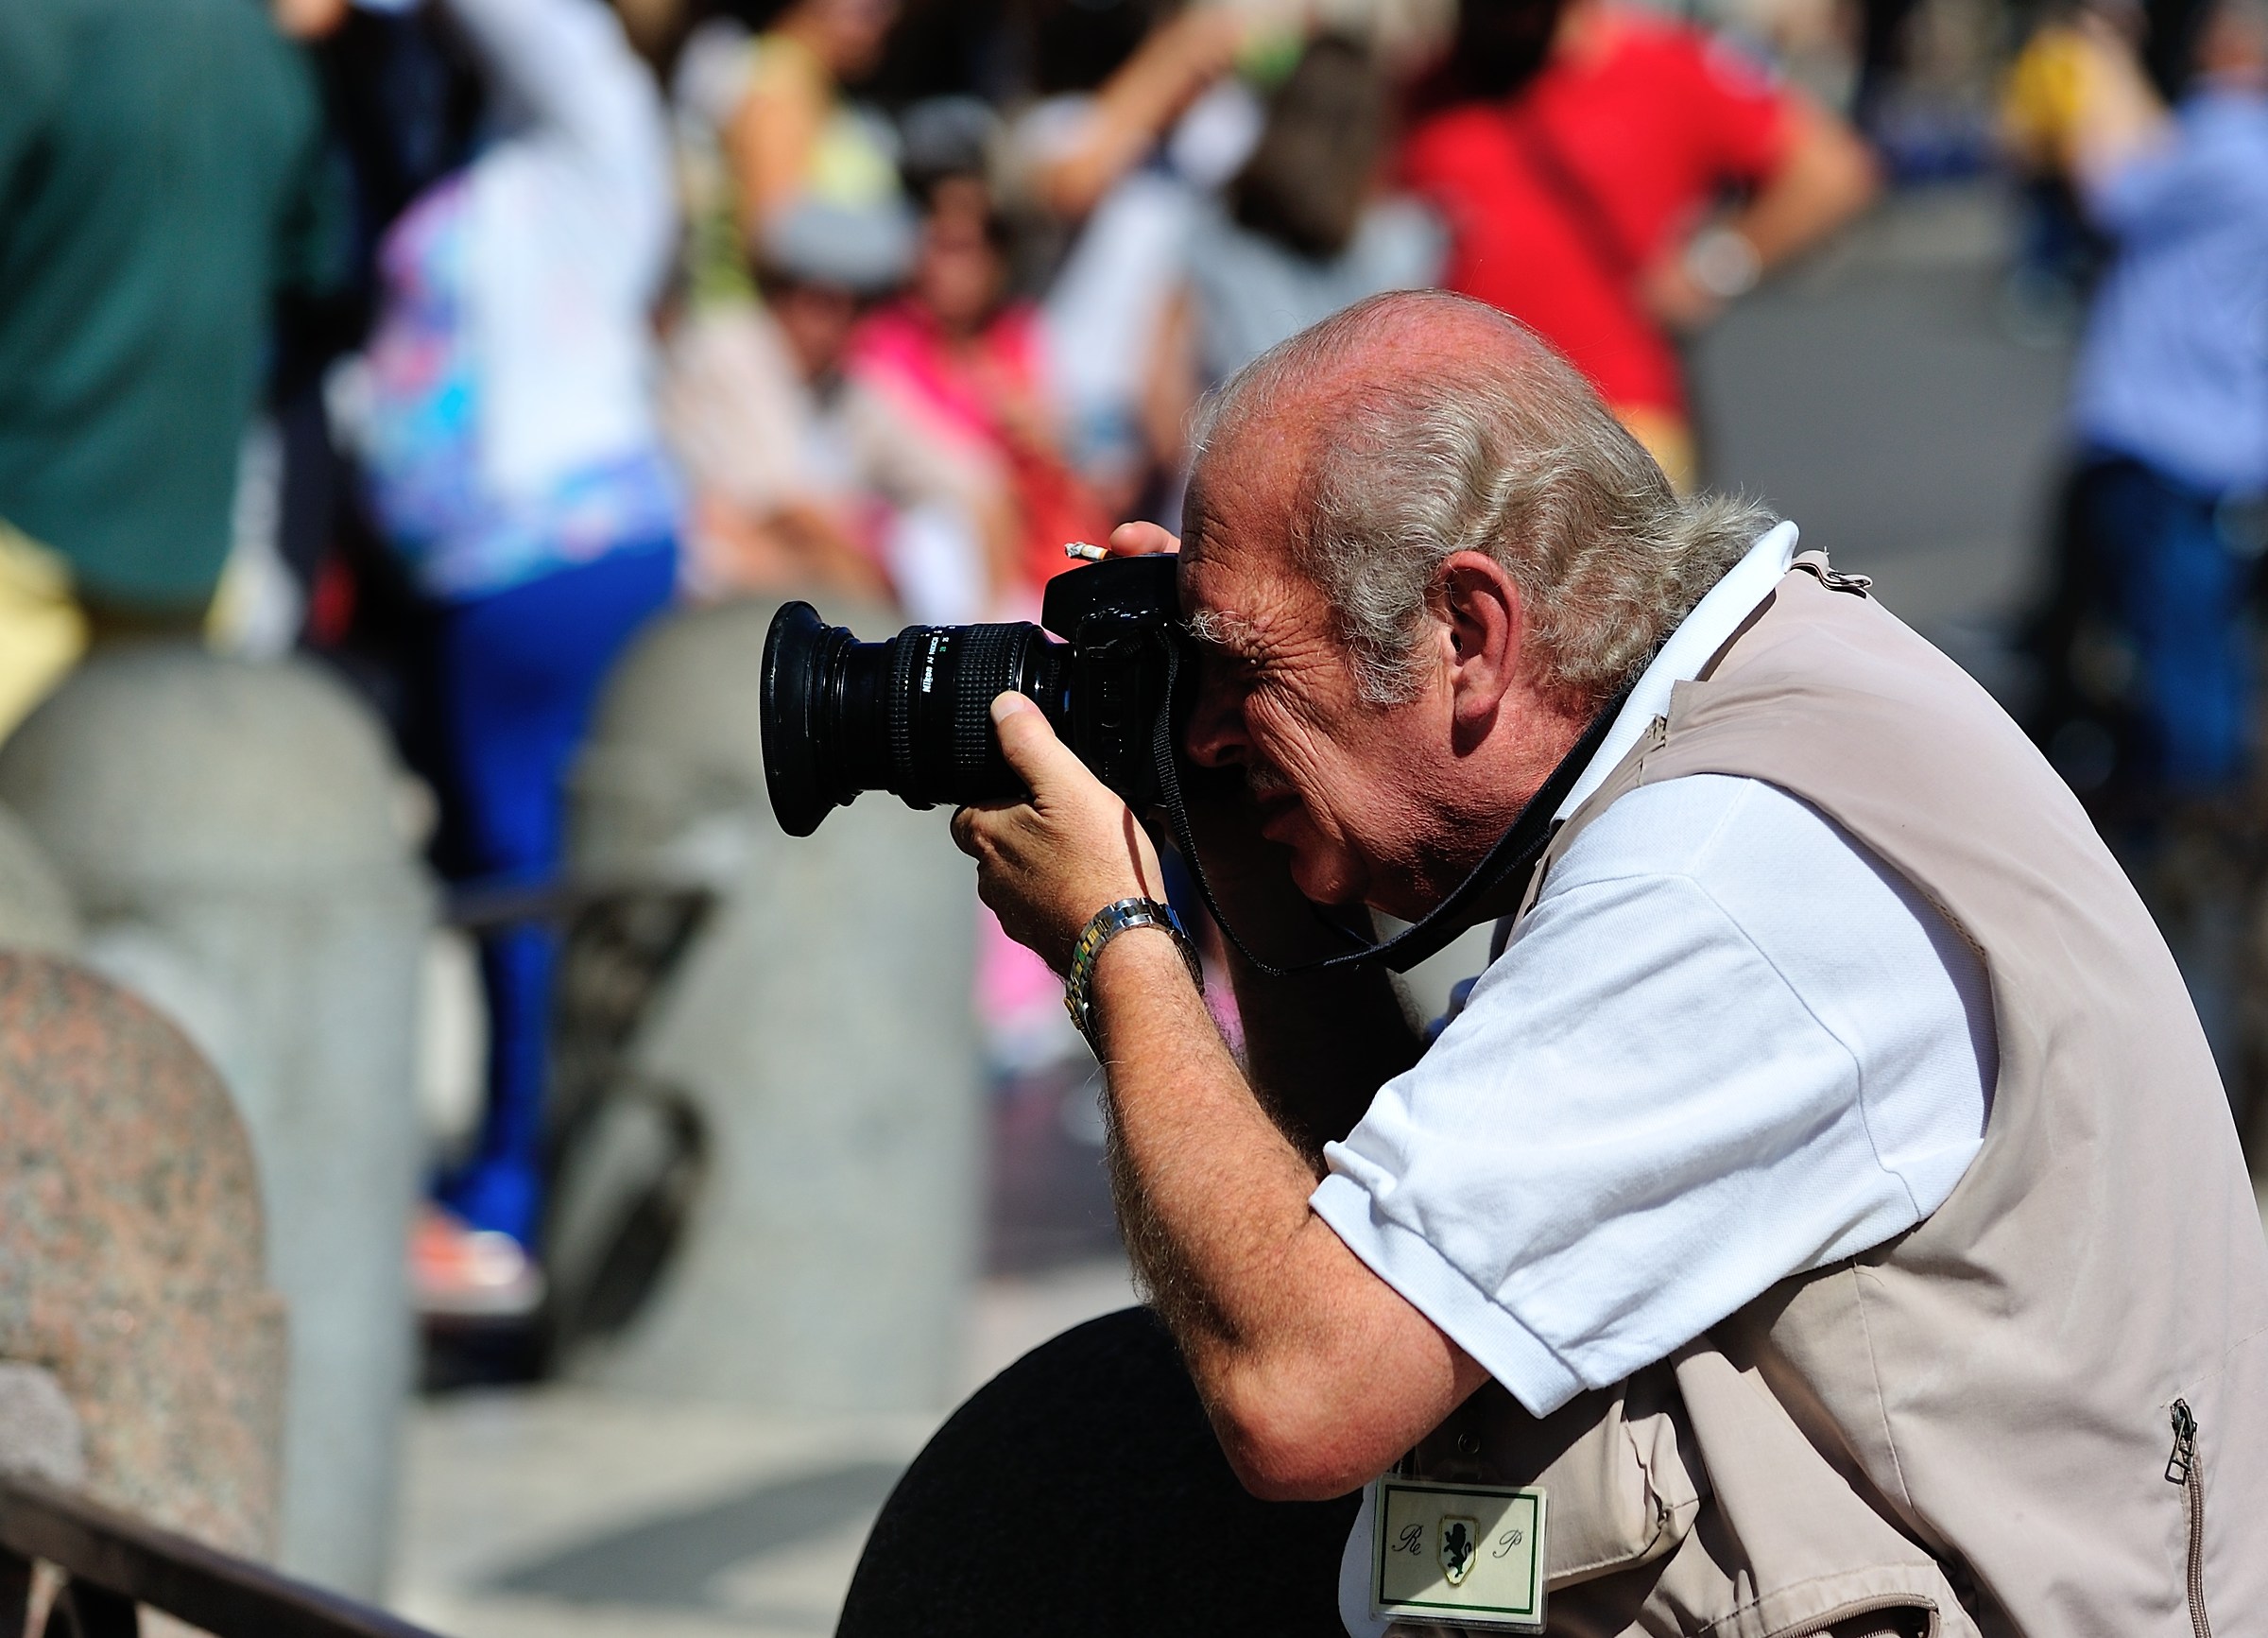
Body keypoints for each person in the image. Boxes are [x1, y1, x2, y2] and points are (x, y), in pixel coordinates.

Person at [845, 291, 2268, 1632]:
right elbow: (1398, 1246)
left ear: (1468, 633)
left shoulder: (1722, 881)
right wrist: (1240, 850)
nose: (1213, 726)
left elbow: (1304, 1389)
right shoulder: (1763, 700)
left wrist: (1117, 941)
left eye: (1250, 671)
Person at [341, 0, 681, 1308]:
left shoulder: (597, 140)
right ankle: (512, 1177)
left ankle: (516, 1190)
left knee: (535, 887)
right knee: (510, 881)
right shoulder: (503, 158)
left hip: (553, 563)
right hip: (487, 578)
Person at [0, 0, 339, 733]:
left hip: (29, 514)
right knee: (149, 819)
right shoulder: (263, 48)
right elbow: (317, 264)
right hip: (186, 540)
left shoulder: (37, 29)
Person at [1400, 0, 1877, 486]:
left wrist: (1716, 263)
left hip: (1622, 420)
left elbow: (1830, 172)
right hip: (1461, 427)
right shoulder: (1419, 94)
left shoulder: (1663, 66)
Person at [2051, 0, 2268, 798]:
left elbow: (2110, 184)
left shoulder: (2224, 138)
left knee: (2173, 663)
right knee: (2205, 650)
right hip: (2228, 445)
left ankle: (2193, 844)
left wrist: (2097, 52)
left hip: (2162, 444)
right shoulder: (2238, 148)